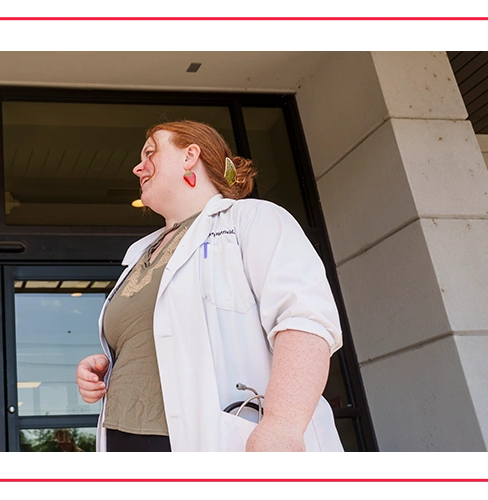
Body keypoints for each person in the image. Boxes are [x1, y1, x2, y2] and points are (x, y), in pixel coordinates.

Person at [74, 120, 344, 455]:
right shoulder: (138, 255)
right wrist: (111, 365)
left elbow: (305, 322)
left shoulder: (252, 220)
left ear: (190, 156)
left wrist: (282, 425)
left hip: (219, 443)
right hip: (124, 442)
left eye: (150, 153)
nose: (137, 167)